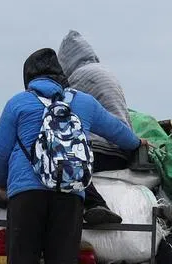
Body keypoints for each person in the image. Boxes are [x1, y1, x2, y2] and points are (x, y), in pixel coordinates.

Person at [0, 48, 142, 264]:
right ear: (61, 76)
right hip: (69, 195)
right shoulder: (82, 103)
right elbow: (119, 133)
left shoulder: (18, 104)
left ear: (28, 78)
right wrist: (139, 144)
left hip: (26, 195)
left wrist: (5, 183)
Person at [57, 30, 134, 226]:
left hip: (101, 151)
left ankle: (95, 204)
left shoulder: (76, 83)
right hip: (122, 151)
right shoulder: (105, 72)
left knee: (65, 163)